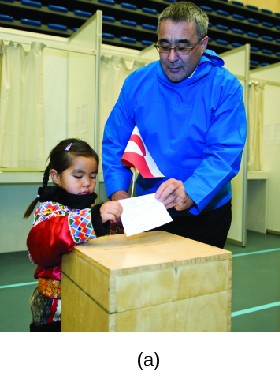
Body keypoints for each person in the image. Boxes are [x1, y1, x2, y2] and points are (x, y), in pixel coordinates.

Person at [101, 1, 247, 248]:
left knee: (202, 284)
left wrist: (192, 191)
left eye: (182, 47)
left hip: (206, 211)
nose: (171, 58)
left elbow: (224, 153)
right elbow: (115, 142)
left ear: (203, 44)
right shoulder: (137, 82)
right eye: (164, 46)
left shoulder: (225, 87)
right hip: (150, 208)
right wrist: (119, 192)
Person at [24, 139, 123, 332]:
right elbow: (41, 245)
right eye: (78, 176)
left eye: (93, 176)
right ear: (56, 176)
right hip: (55, 307)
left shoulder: (91, 208)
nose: (87, 183)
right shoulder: (49, 209)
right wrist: (93, 219)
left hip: (87, 292)